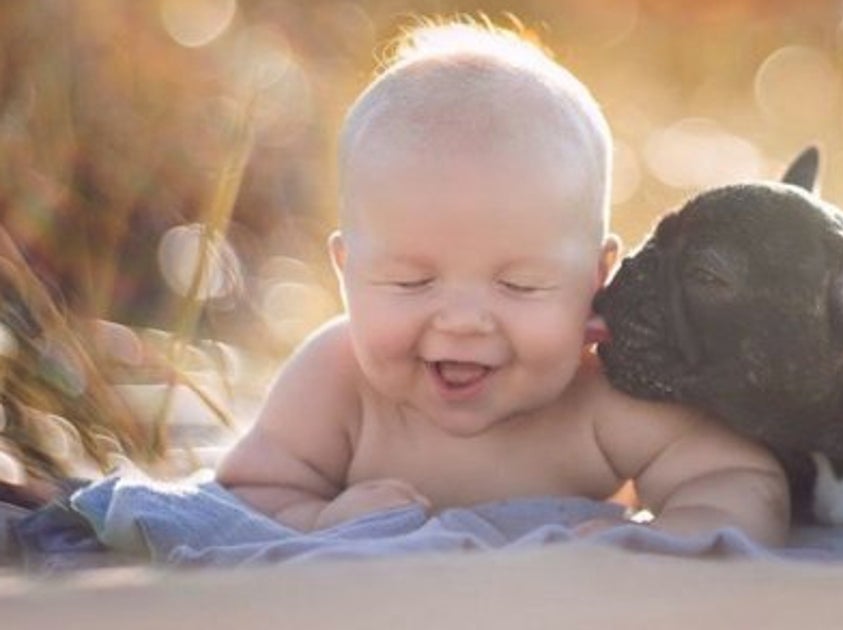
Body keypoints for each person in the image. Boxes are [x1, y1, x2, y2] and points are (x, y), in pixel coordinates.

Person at [215, 19, 789, 545]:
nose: (463, 320)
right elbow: (245, 498)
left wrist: (675, 533)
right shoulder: (335, 382)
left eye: (519, 285)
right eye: (412, 281)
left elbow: (737, 477)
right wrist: (318, 521)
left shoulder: (600, 395)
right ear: (347, 273)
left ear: (596, 279)